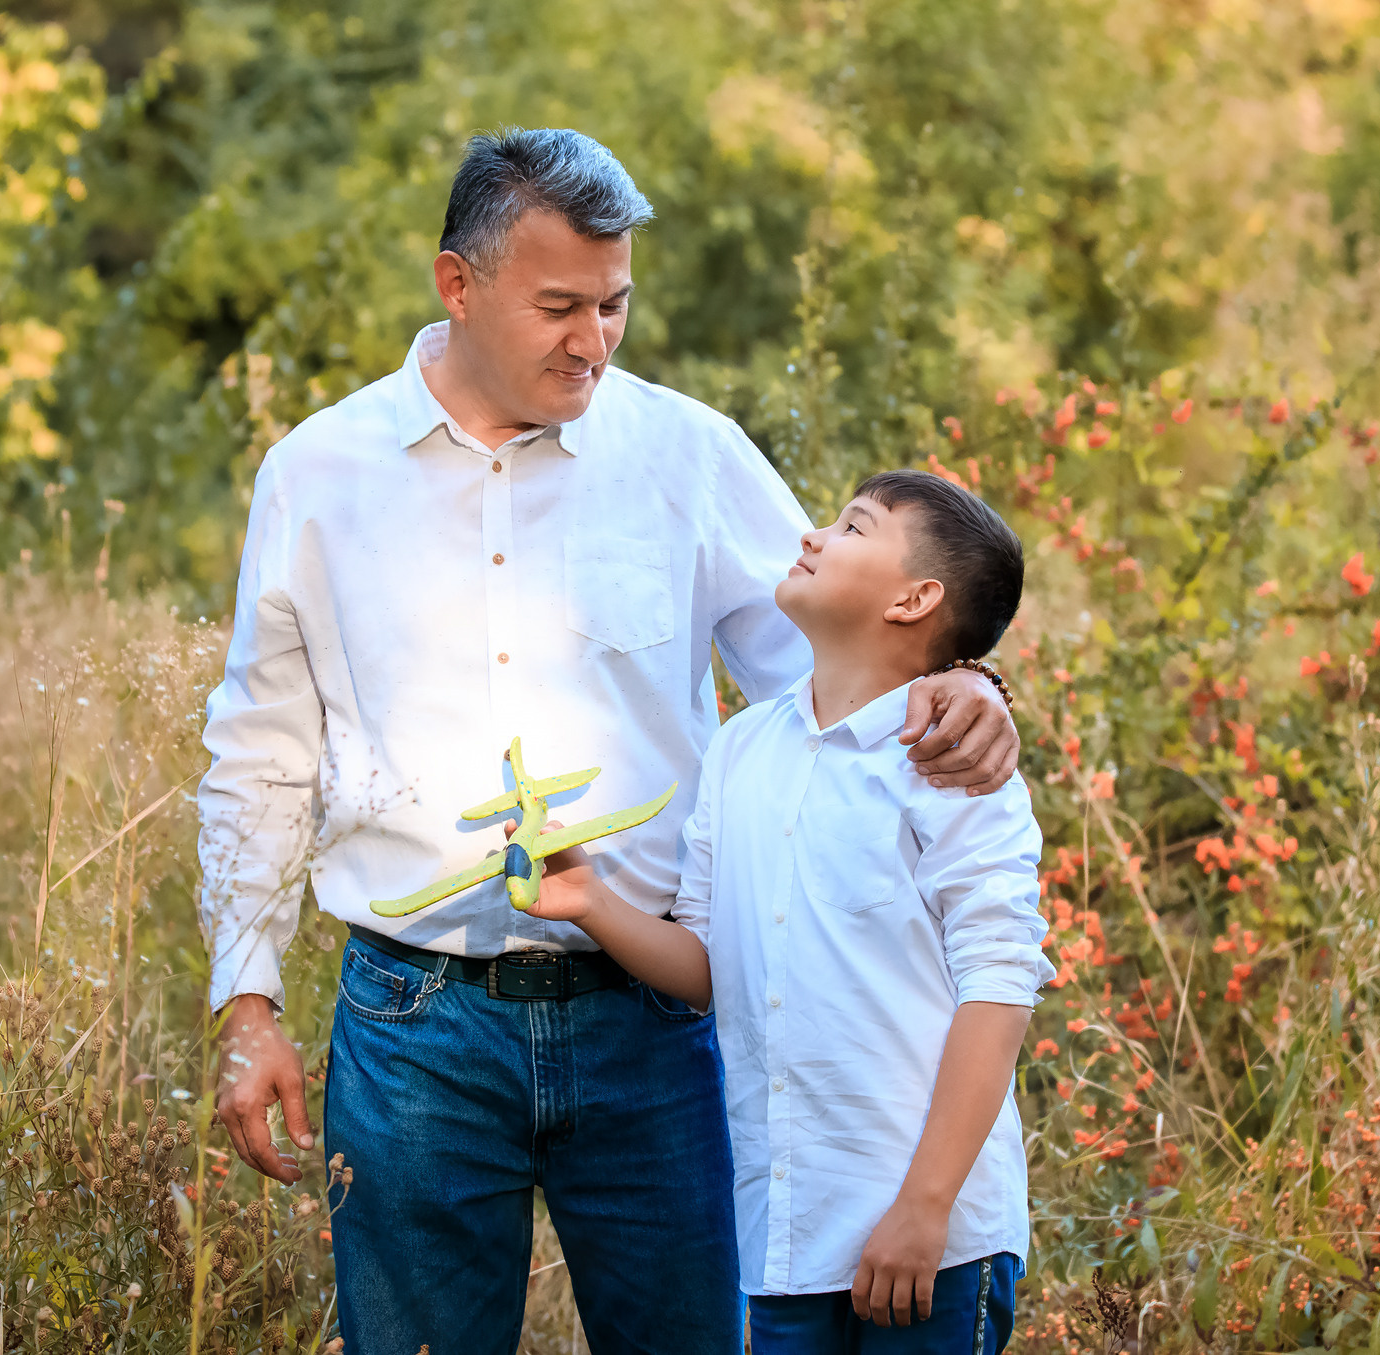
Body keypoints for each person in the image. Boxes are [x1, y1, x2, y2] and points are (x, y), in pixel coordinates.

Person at [198, 128, 1023, 1355]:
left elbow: (848, 675)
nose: (593, 339)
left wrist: (975, 686)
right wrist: (246, 1004)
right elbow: (261, 749)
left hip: (659, 1027)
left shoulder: (687, 455)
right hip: (416, 1023)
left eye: (615, 303)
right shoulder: (317, 474)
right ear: (456, 285)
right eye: (558, 306)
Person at [524, 469, 1056, 1355]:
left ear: (915, 597)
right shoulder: (741, 750)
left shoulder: (951, 763)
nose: (812, 536)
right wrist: (592, 903)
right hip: (788, 1235)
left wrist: (925, 1208)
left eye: (852, 527)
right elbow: (707, 966)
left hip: (932, 1235)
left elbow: (999, 989)